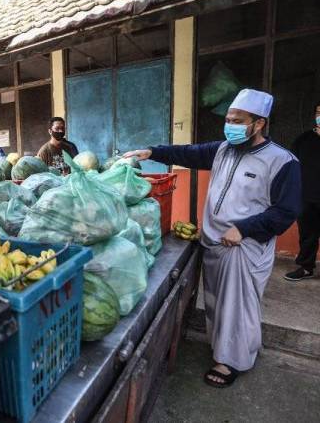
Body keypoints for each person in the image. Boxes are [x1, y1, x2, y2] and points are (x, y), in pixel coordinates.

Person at [123, 89, 301, 388]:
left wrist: (245, 228)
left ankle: (232, 361)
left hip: (244, 246)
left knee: (238, 306)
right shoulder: (222, 150)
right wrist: (152, 152)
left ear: (258, 124)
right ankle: (225, 348)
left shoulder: (281, 161)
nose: (229, 124)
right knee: (218, 303)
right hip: (214, 241)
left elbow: (286, 211)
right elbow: (188, 153)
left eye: (238, 120)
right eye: (228, 119)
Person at [285, 102, 320, 281]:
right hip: (307, 196)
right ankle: (306, 267)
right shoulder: (303, 140)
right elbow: (292, 165)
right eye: (318, 112)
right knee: (307, 234)